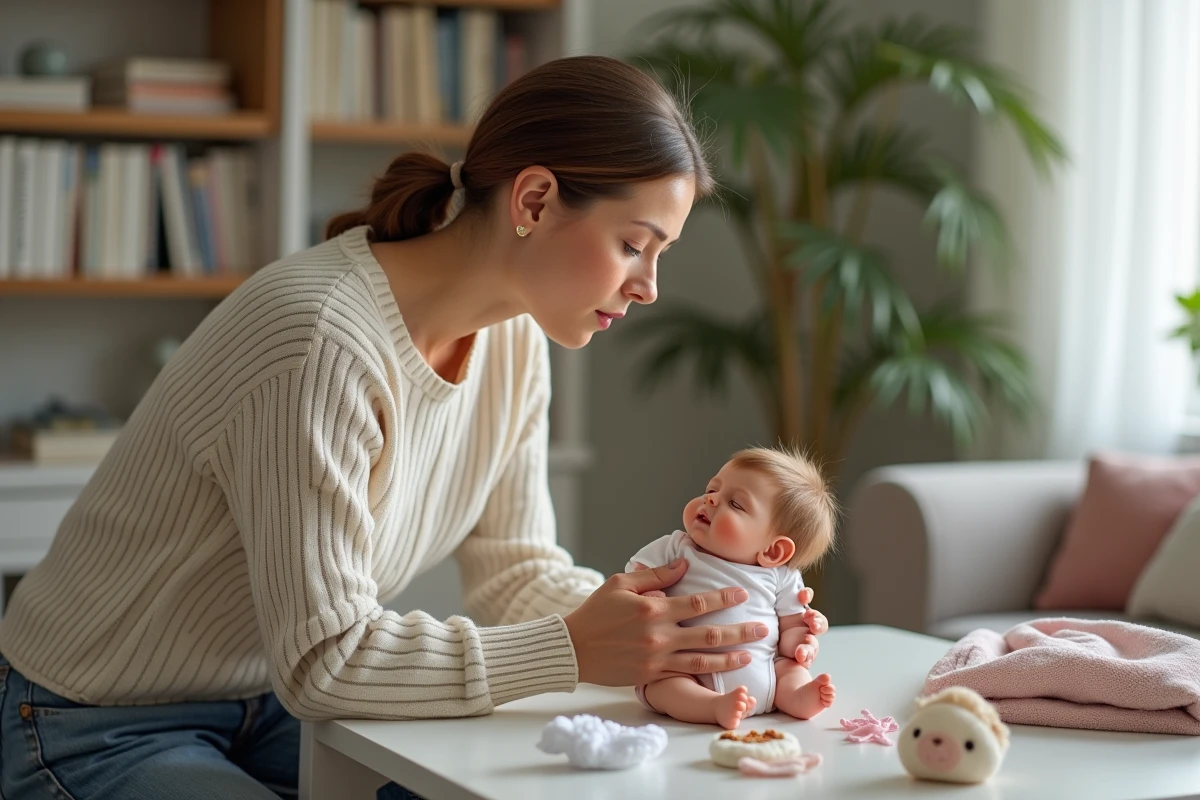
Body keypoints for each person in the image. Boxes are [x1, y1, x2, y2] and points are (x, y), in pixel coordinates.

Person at [0, 56, 826, 800]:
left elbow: (515, 574)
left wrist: (694, 629)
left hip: (273, 707)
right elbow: (325, 659)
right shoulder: (319, 340)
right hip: (91, 719)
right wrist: (572, 650)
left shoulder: (514, 339)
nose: (648, 287)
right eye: (634, 245)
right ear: (534, 200)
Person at [626, 447, 837, 729]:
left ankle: (798, 696)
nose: (711, 499)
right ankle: (712, 706)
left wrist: (802, 642)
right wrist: (651, 597)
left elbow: (791, 628)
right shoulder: (676, 548)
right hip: (684, 671)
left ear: (774, 551)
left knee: (790, 668)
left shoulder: (781, 577)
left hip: (766, 677)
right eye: (711, 489)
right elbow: (636, 577)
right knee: (663, 685)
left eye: (735, 504)